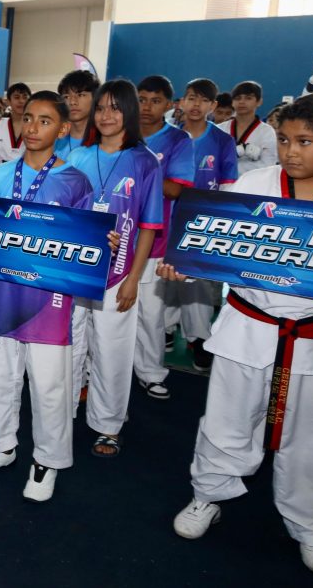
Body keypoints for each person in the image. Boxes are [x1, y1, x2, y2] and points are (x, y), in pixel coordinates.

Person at [162, 91, 313, 576]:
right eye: (283, 139)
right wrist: (187, 267)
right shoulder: (255, 183)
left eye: (306, 141)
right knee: (225, 418)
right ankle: (207, 494)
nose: (291, 151)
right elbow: (212, 243)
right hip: (248, 326)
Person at [0, 91, 96, 500]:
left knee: (49, 383)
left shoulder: (76, 181)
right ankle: (0, 444)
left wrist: (99, 241)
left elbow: (85, 241)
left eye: (44, 121)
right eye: (28, 119)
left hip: (50, 298)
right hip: (4, 292)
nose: (32, 128)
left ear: (63, 129)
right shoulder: (0, 175)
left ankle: (47, 459)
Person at [67, 79, 163, 458]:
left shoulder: (144, 161)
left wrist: (134, 280)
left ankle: (108, 425)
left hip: (118, 275)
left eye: (116, 108)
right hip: (75, 271)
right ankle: (64, 405)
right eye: (101, 108)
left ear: (129, 112)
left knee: (112, 349)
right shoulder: (76, 156)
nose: (107, 116)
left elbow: (148, 227)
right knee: (69, 346)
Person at [164, 78, 238, 371]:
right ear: (182, 102)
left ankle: (198, 338)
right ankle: (166, 329)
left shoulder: (222, 141)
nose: (196, 105)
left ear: (213, 106)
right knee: (165, 277)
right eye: (191, 98)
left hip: (201, 220)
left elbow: (229, 184)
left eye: (204, 100)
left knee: (197, 284)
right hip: (167, 216)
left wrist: (218, 222)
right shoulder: (169, 136)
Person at [131, 75, 195, 401]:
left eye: (155, 101)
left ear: (169, 105)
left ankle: (150, 372)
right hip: (115, 236)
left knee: (150, 313)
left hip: (154, 239)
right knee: (101, 311)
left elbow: (177, 188)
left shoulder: (178, 140)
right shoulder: (119, 131)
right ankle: (94, 368)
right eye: (141, 99)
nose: (146, 107)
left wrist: (139, 171)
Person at [218, 81, 278, 174]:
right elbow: (211, 160)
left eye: (248, 98)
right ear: (232, 102)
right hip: (220, 184)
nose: (242, 102)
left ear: (259, 101)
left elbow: (268, 164)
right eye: (237, 98)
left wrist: (230, 167)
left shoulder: (267, 132)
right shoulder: (219, 129)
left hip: (252, 185)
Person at [0, 83, 31, 173]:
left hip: (28, 174)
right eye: (16, 97)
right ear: (8, 101)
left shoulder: (35, 126)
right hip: (2, 175)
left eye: (25, 97)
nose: (21, 101)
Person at [55, 70, 99, 159]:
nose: (72, 102)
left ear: (95, 98)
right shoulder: (54, 141)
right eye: (66, 97)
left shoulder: (104, 142)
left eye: (80, 95)